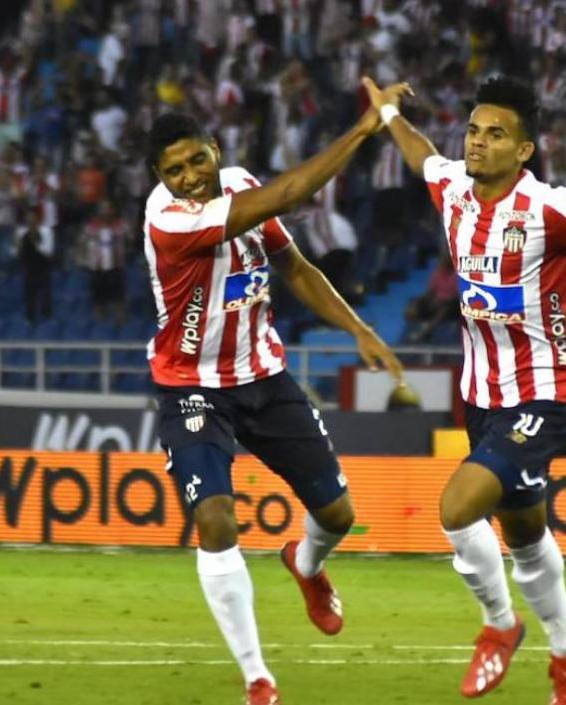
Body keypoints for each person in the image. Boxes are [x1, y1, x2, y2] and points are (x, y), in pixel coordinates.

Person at [366, 74, 566, 705]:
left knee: (457, 508)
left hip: (546, 393)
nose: (477, 143)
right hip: (482, 397)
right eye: (474, 130)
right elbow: (422, 152)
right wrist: (389, 111)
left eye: (495, 134)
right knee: (526, 535)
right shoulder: (453, 188)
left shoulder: (551, 208)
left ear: (524, 150)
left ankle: (500, 626)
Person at [143, 93, 407, 705]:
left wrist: (359, 328)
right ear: (160, 180)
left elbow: (294, 267)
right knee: (215, 521)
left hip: (264, 377)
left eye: (195, 160)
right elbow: (290, 193)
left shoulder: (239, 184)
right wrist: (364, 127)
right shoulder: (171, 220)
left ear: (216, 149)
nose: (188, 177)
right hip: (193, 386)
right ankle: (258, 677)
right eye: (173, 171)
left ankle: (306, 564)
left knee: (338, 515)